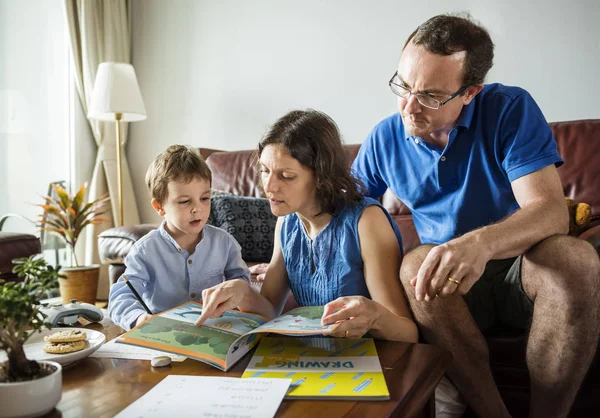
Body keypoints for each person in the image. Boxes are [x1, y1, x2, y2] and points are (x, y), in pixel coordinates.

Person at [351, 13, 600, 418]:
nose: (409, 107)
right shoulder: (385, 137)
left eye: (430, 95)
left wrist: (479, 243)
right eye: (403, 86)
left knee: (575, 258)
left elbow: (550, 212)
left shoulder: (509, 109)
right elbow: (343, 213)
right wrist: (283, 259)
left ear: (471, 92)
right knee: (416, 265)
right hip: (452, 292)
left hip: (525, 268)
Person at [194, 109, 418, 343]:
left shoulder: (366, 222)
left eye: (286, 176)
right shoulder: (286, 222)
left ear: (321, 176)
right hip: (313, 356)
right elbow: (269, 310)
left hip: (369, 361)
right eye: (265, 170)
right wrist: (242, 291)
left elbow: (408, 334)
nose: (269, 186)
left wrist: (376, 317)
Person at [108, 145, 250, 331]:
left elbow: (242, 282)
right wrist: (139, 319)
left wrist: (237, 287)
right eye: (184, 201)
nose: (197, 208)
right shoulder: (145, 250)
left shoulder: (224, 242)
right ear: (160, 207)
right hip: (164, 333)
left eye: (205, 198)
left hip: (213, 330)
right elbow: (121, 296)